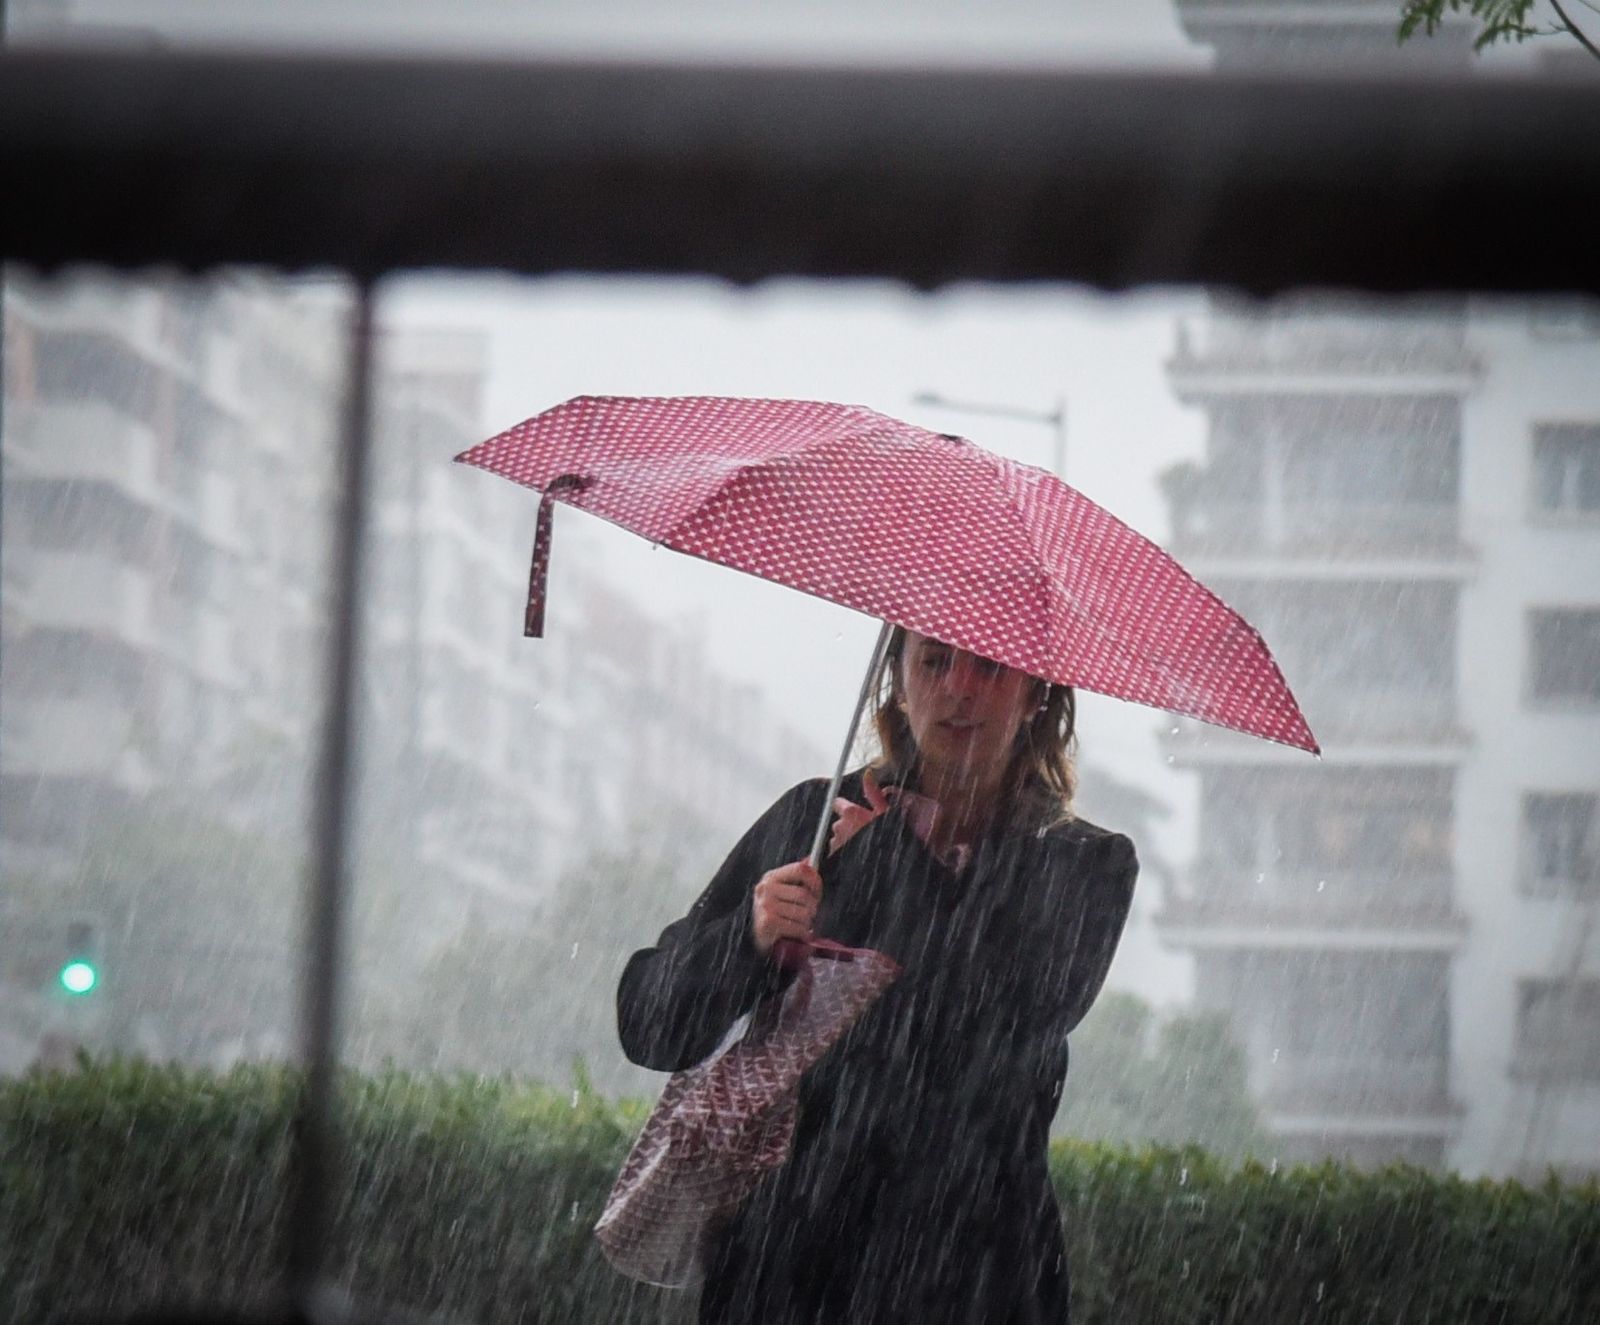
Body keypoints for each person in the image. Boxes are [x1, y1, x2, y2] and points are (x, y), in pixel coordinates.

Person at [616, 627, 1140, 1324]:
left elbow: (997, 1025)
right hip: (786, 1273)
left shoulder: (1082, 864)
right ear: (897, 676)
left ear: (1038, 691)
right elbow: (650, 1023)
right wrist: (749, 935)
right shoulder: (814, 822)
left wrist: (891, 856)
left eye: (991, 664)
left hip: (976, 1277)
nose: (958, 687)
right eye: (933, 660)